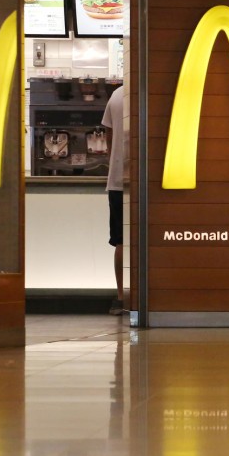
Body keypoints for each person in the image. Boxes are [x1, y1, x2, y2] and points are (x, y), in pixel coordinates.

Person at [101, 83, 125, 315]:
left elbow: (107, 133)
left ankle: (120, 297)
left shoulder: (116, 95)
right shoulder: (146, 94)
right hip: (141, 183)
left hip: (117, 182)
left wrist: (114, 162)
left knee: (121, 241)